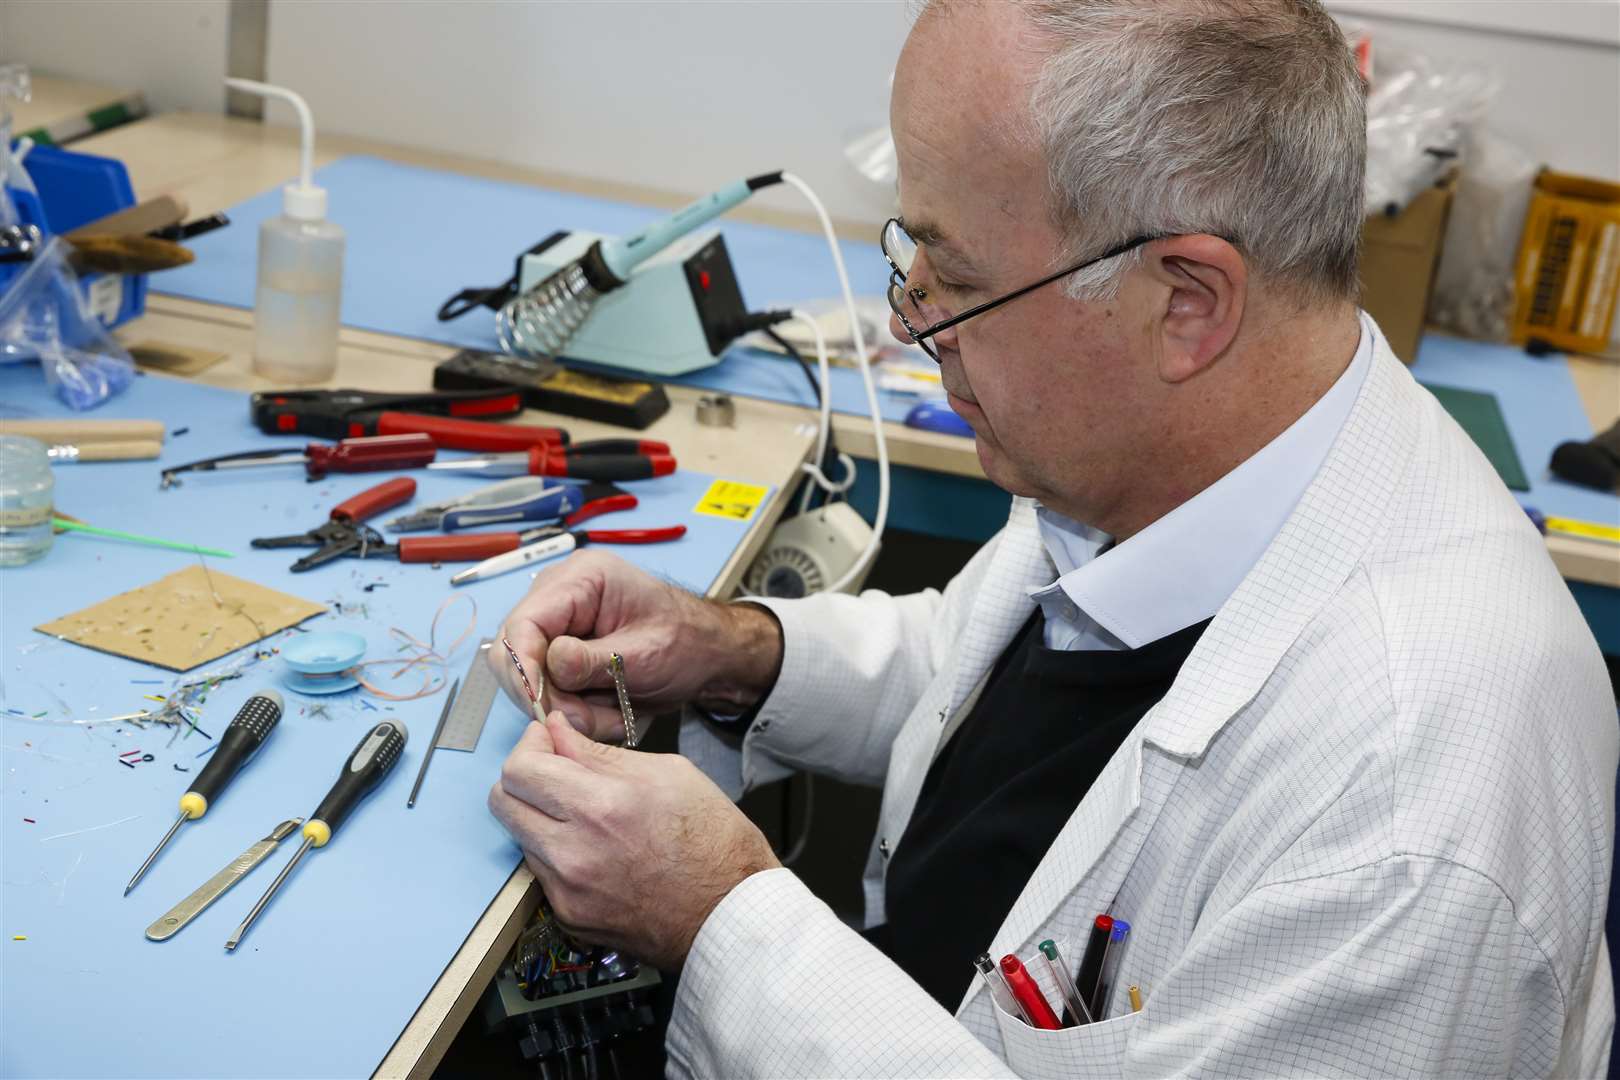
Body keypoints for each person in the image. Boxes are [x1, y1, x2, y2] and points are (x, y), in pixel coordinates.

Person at [486, 0, 1618, 1075]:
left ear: (1185, 301)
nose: (906, 316)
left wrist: (722, 920)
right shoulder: (1171, 452)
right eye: (909, 255)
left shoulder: (1414, 828)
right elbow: (990, 671)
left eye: (956, 279)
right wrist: (740, 650)